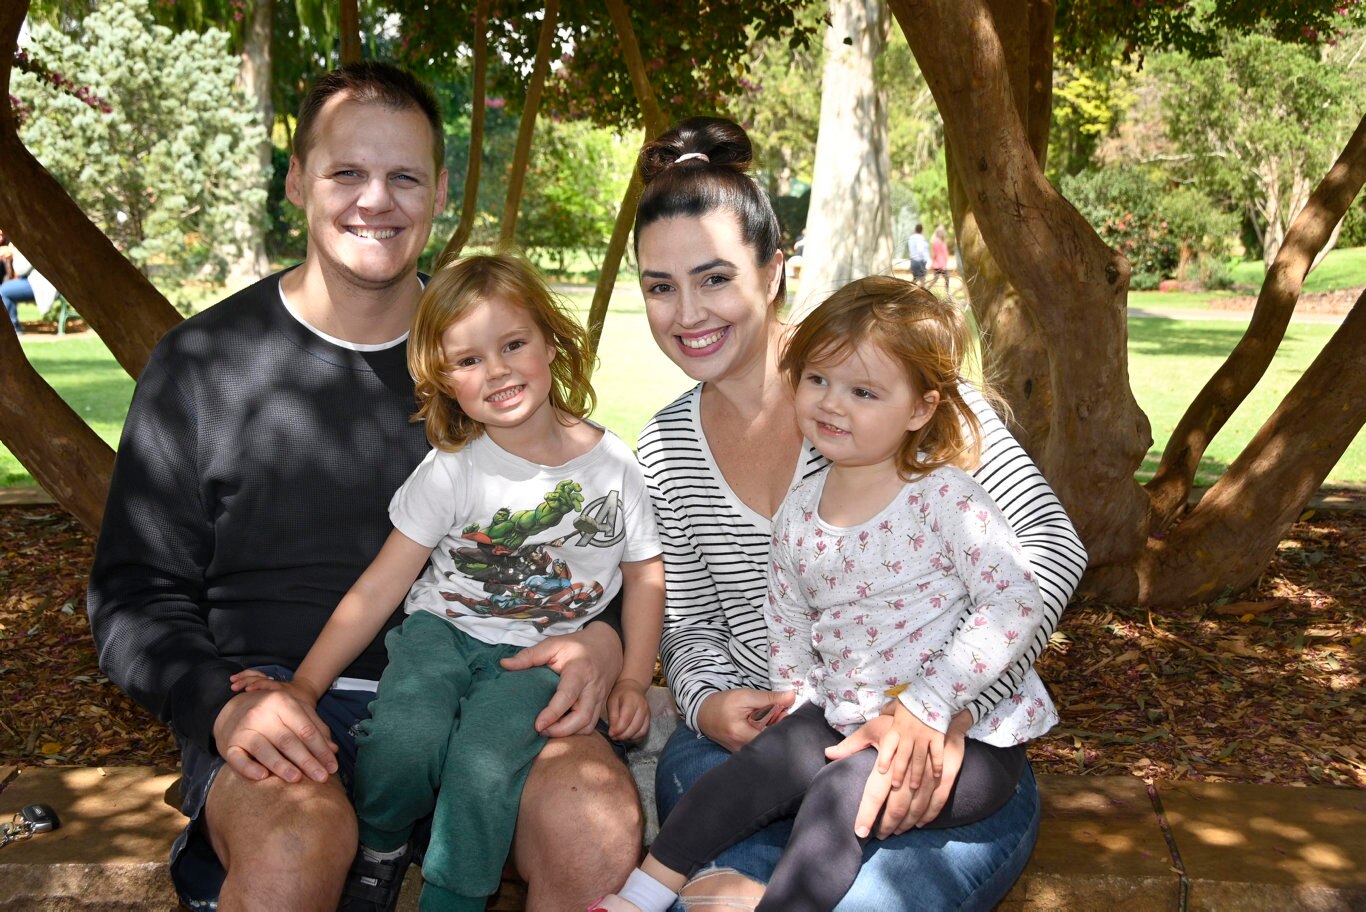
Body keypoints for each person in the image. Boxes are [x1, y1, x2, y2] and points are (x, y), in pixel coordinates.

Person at [87, 63, 641, 912]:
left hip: (502, 684)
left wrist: (602, 641)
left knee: (592, 819)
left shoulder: (490, 361)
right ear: (299, 178)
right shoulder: (202, 366)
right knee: (296, 838)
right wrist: (220, 709)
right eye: (347, 171)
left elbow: (588, 534)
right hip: (282, 697)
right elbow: (133, 593)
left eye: (404, 176)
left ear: (441, 191)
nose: (374, 199)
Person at [629, 116, 1088, 911]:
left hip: (943, 749)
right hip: (765, 754)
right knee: (720, 879)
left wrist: (940, 708)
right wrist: (707, 702)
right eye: (659, 287)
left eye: (714, 278)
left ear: (773, 271)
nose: (687, 313)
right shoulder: (666, 445)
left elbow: (1049, 548)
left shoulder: (884, 376)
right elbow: (691, 626)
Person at [595, 278, 1056, 912]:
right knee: (748, 775)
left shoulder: (945, 497)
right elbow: (785, 611)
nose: (833, 405)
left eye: (863, 392)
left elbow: (1015, 603)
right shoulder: (802, 511)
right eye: (818, 382)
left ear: (920, 409)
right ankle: (637, 898)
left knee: (839, 796)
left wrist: (933, 704)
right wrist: (797, 697)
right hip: (843, 713)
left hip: (971, 740)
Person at [230, 253, 664, 911]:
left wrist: (632, 676)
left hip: (541, 657)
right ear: (443, 380)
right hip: (441, 634)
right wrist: (306, 685)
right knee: (405, 738)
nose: (496, 371)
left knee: (484, 764)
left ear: (551, 342)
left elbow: (645, 576)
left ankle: (452, 896)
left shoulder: (615, 468)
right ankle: (379, 847)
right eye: (467, 361)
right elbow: (379, 587)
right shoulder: (454, 467)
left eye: (513, 344)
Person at [0, 229, 34, 334]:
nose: (1, 238)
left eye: (2, 235)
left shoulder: (19, 246)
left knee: (4, 291)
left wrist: (14, 253)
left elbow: (21, 270)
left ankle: (14, 328)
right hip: (25, 281)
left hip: (34, 284)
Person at [929, 225, 951, 295]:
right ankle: (947, 293)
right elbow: (935, 254)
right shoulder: (937, 242)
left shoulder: (941, 242)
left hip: (940, 264)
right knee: (946, 277)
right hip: (939, 265)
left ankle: (928, 288)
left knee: (937, 279)